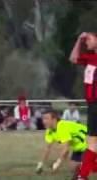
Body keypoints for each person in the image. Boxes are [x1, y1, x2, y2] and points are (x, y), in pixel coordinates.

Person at [70, 32, 97, 180]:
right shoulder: (90, 59)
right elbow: (73, 58)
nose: (86, 42)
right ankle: (83, 175)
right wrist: (79, 40)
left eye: (89, 39)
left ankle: (82, 174)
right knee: (92, 142)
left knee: (93, 143)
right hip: (92, 105)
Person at [36, 110, 88, 178]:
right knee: (74, 168)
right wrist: (40, 164)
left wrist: (57, 163)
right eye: (43, 118)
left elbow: (66, 149)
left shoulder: (62, 126)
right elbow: (47, 148)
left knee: (82, 169)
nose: (44, 121)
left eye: (46, 118)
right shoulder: (49, 131)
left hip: (89, 143)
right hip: (78, 147)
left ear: (54, 119)